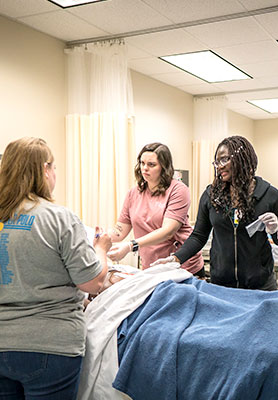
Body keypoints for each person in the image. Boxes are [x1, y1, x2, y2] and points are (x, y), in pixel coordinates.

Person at [0, 137, 111, 399]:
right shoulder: (59, 218)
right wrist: (102, 249)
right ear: (44, 169)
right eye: (54, 167)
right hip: (50, 346)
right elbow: (93, 283)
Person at [153, 136, 278, 290]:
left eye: (224, 160)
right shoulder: (211, 196)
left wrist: (276, 230)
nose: (219, 166)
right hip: (221, 284)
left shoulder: (269, 195)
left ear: (242, 159)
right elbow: (199, 236)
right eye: (217, 162)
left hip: (260, 285)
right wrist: (176, 259)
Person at [107, 142, 204, 275]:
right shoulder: (133, 193)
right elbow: (120, 230)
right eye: (142, 163)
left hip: (181, 266)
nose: (145, 168)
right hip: (151, 267)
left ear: (164, 167)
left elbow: (167, 231)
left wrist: (130, 246)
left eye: (151, 165)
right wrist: (100, 236)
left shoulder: (178, 190)